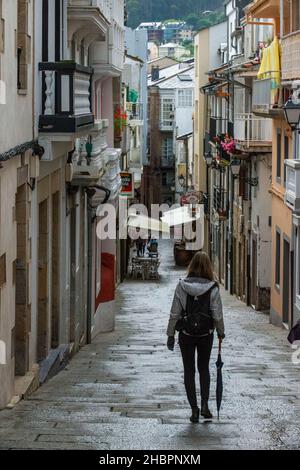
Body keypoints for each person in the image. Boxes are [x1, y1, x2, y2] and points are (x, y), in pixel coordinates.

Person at [166, 251, 225, 423]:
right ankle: (205, 405)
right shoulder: (213, 288)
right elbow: (217, 314)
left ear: (191, 266)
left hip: (186, 334)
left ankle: (194, 410)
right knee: (204, 368)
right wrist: (221, 331)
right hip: (206, 334)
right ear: (208, 267)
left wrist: (170, 334)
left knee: (189, 371)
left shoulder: (182, 286)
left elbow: (174, 312)